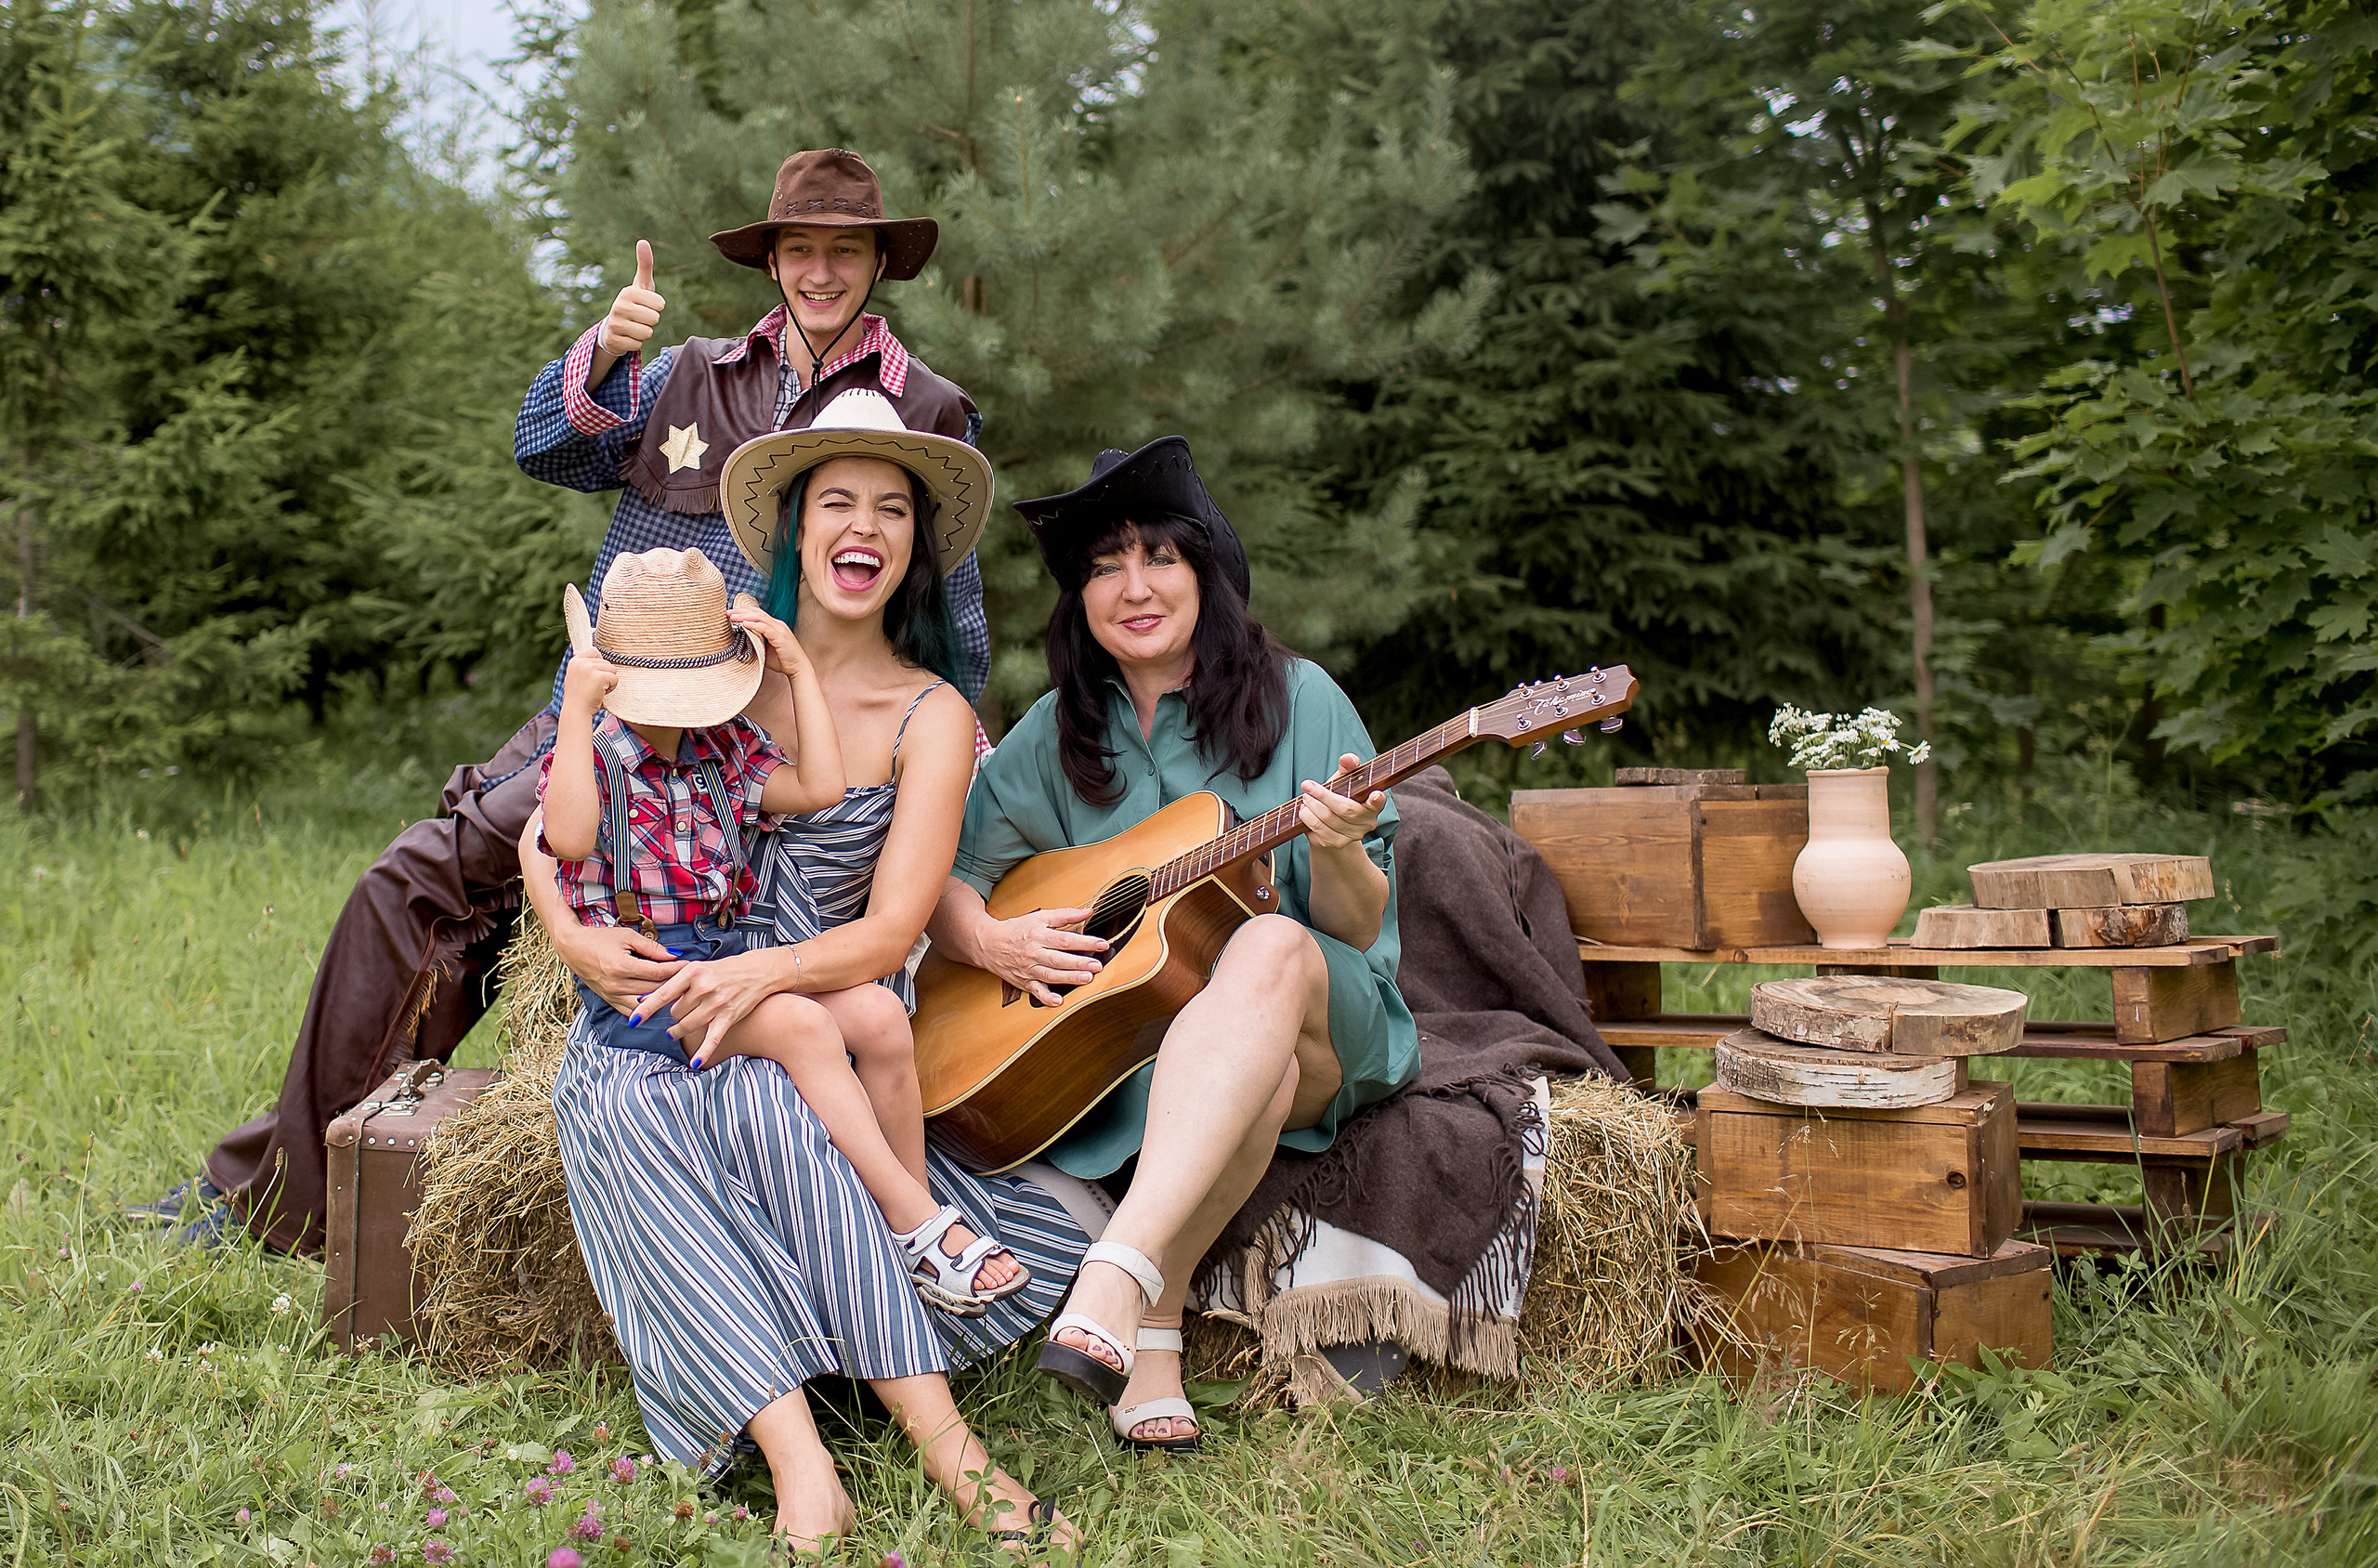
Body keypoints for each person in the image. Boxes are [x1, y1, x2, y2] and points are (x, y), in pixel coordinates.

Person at [147, 149, 995, 1254]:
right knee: (418, 879)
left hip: (748, 748)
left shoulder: (925, 408)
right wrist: (605, 350)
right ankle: (291, 1188)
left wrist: (929, 781)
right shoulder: (692, 372)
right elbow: (541, 449)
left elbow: (954, 630)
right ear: (773, 258)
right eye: (801, 248)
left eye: (845, 249)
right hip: (609, 711)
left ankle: (293, 1192)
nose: (821, 271)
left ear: (879, 261)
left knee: (494, 879)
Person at [522, 401, 1081, 1552]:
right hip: (661, 1000)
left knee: (778, 1102)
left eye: (891, 510)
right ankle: (800, 1459)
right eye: (837, 501)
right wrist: (569, 935)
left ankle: (949, 1447)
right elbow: (556, 819)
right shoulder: (691, 668)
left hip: (818, 990)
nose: (862, 527)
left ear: (915, 550)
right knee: (631, 1111)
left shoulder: (933, 713)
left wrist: (762, 979)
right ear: (793, 529)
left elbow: (888, 935)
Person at [924, 438, 1421, 1453]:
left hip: (1336, 1012)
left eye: (1160, 557)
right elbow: (952, 877)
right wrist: (993, 941)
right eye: (1105, 565)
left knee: (1272, 947)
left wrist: (1334, 849)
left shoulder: (1301, 697)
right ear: (1080, 598)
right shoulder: (1060, 728)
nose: (1134, 585)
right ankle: (1155, 1328)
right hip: (1188, 1046)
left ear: (1206, 573)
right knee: (1256, 1062)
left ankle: (1112, 1265)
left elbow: (1360, 926)